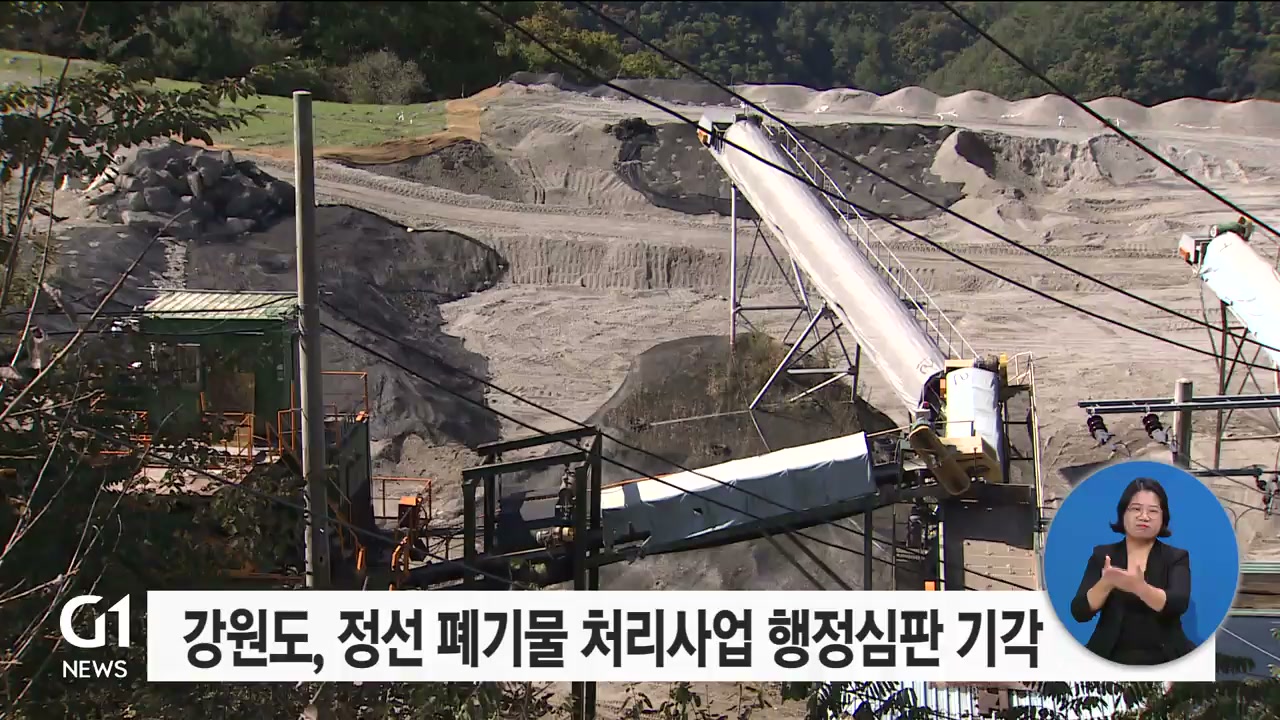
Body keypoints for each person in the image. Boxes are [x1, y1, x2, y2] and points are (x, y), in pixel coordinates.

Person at [1069, 477, 1194, 665]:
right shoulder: (1103, 555)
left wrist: (1140, 588)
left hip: (1166, 657)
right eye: (1136, 509)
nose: (1144, 516)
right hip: (1110, 656)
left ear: (1163, 517)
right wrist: (1106, 583)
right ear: (1123, 513)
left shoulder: (1176, 557)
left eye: (1153, 511)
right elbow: (1079, 612)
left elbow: (1178, 603)